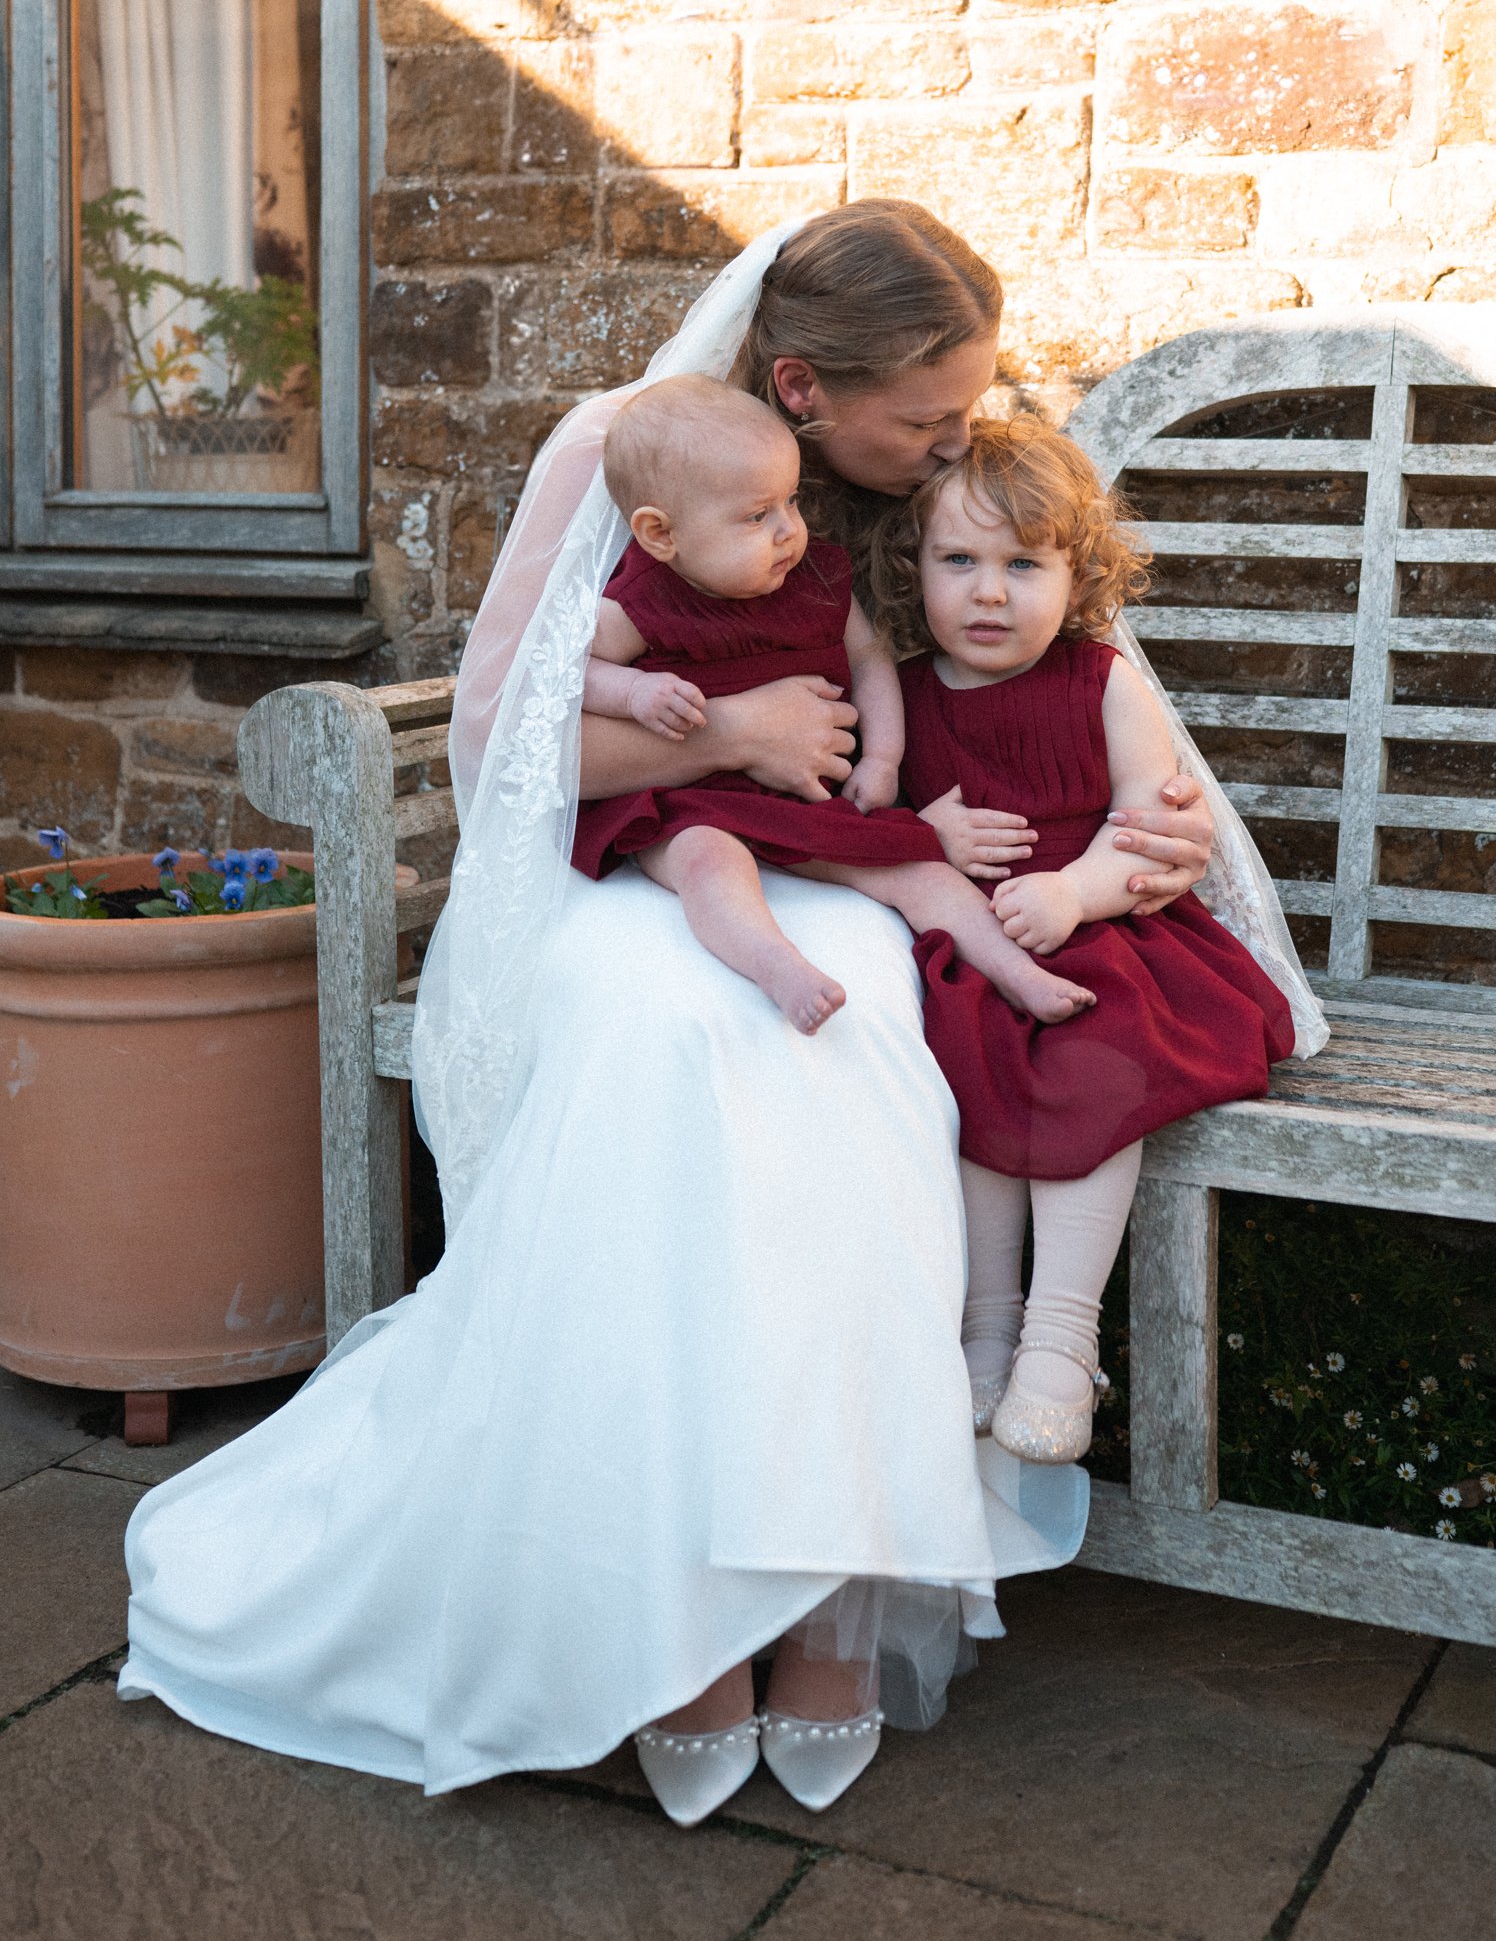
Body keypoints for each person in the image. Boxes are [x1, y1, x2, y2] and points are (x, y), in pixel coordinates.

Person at [121, 201, 1311, 1829]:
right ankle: (667, 1606)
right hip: (641, 874)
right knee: (675, 1042)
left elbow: (1080, 691)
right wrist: (728, 733)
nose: (959, 436)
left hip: (874, 874)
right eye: (928, 414)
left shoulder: (936, 509)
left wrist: (1151, 837)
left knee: (861, 1040)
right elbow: (513, 757)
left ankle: (825, 1591)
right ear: (807, 387)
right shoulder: (626, 455)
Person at [876, 417, 1299, 1466]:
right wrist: (926, 831)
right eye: (958, 561)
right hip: (974, 943)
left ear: (1078, 574)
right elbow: (867, 820)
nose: (987, 591)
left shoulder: (1103, 683)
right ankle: (983, 1330)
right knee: (957, 1054)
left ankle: (1061, 1338)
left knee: (1093, 1059)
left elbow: (1149, 839)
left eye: (1023, 564)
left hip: (1107, 936)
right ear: (915, 566)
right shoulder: (903, 691)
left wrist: (1071, 892)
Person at [574, 373, 1094, 1033]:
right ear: (660, 534)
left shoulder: (813, 577)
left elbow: (869, 657)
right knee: (708, 860)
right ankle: (776, 965)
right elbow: (562, 677)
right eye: (755, 516)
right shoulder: (641, 603)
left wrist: (882, 757)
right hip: (685, 803)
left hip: (801, 800)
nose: (788, 530)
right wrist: (633, 690)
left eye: (789, 503)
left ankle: (1017, 973)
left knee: (917, 868)